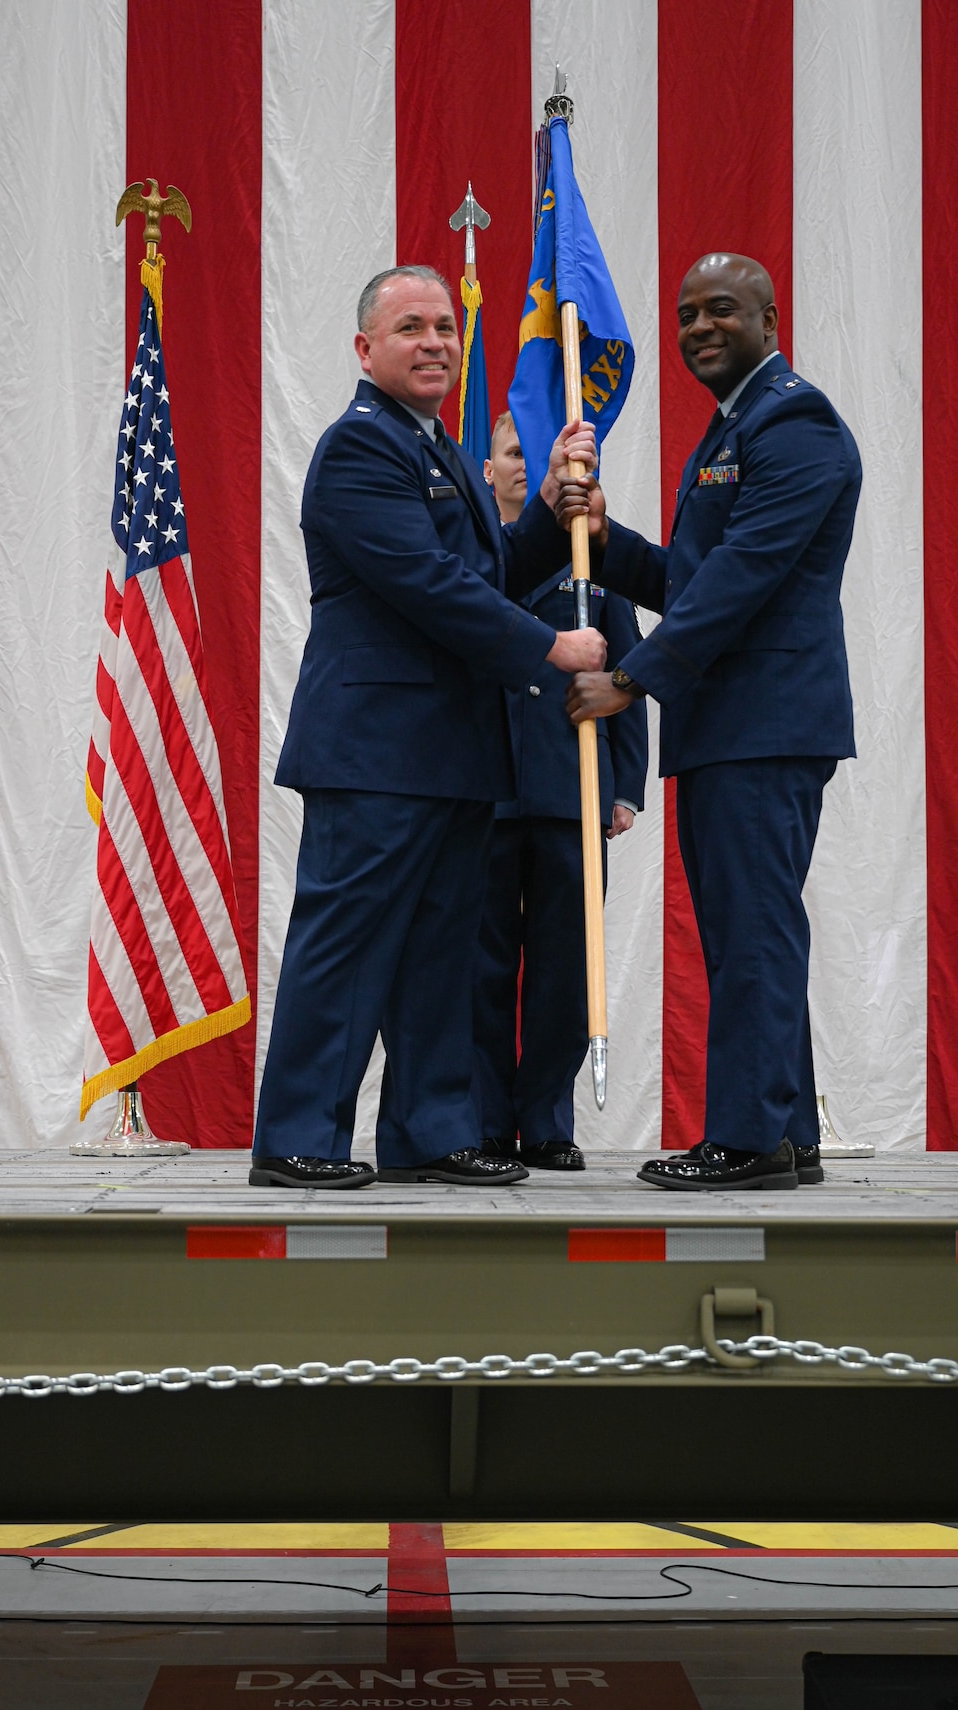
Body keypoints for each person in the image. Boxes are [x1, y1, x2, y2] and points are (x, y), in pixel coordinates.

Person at [252, 266, 605, 1191]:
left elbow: (478, 575)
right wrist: (550, 647)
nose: (438, 342)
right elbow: (427, 586)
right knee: (348, 946)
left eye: (447, 326)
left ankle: (429, 1132)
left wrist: (554, 510)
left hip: (450, 753)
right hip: (376, 750)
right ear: (366, 349)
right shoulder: (360, 448)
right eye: (412, 327)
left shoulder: (442, 449)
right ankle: (298, 1136)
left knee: (440, 960)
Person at [559, 253, 861, 1191]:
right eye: (687, 314)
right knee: (748, 930)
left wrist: (632, 681)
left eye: (721, 310)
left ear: (772, 317)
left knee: (754, 931)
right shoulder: (739, 425)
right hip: (736, 723)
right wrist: (610, 546)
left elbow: (743, 579)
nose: (698, 328)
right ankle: (786, 1130)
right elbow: (698, 577)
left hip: (763, 723)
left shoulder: (794, 421)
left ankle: (747, 1139)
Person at [474, 413, 648, 1169]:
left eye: (533, 457)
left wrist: (625, 788)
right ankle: (482, 1120)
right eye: (512, 455)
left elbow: (628, 680)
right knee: (480, 968)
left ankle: (545, 1120)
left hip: (568, 785)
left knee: (565, 969)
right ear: (488, 469)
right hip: (485, 784)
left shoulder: (588, 555)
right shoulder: (473, 558)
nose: (522, 468)